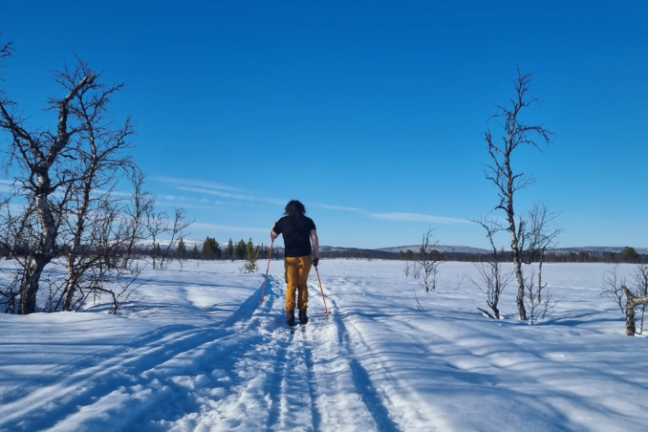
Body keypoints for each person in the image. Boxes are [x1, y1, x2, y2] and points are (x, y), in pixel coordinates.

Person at [271, 200, 319, 326]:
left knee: (291, 285)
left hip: (290, 257)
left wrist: (272, 228)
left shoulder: (282, 221)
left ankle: (290, 314)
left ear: (288, 209)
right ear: (302, 209)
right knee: (302, 284)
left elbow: (273, 236)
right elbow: (314, 238)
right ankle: (303, 313)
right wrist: (316, 256)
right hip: (305, 256)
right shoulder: (308, 221)